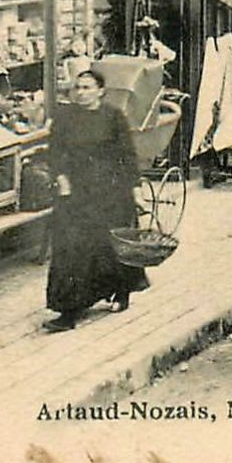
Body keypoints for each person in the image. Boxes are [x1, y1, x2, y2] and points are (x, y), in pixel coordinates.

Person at [42, 69, 148, 332]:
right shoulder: (64, 117)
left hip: (111, 191)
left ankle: (120, 292)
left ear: (101, 91)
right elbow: (55, 151)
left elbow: (127, 155)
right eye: (78, 87)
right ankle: (68, 310)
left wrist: (135, 189)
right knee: (71, 248)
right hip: (77, 192)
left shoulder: (113, 117)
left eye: (88, 87)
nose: (81, 92)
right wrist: (61, 178)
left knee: (110, 245)